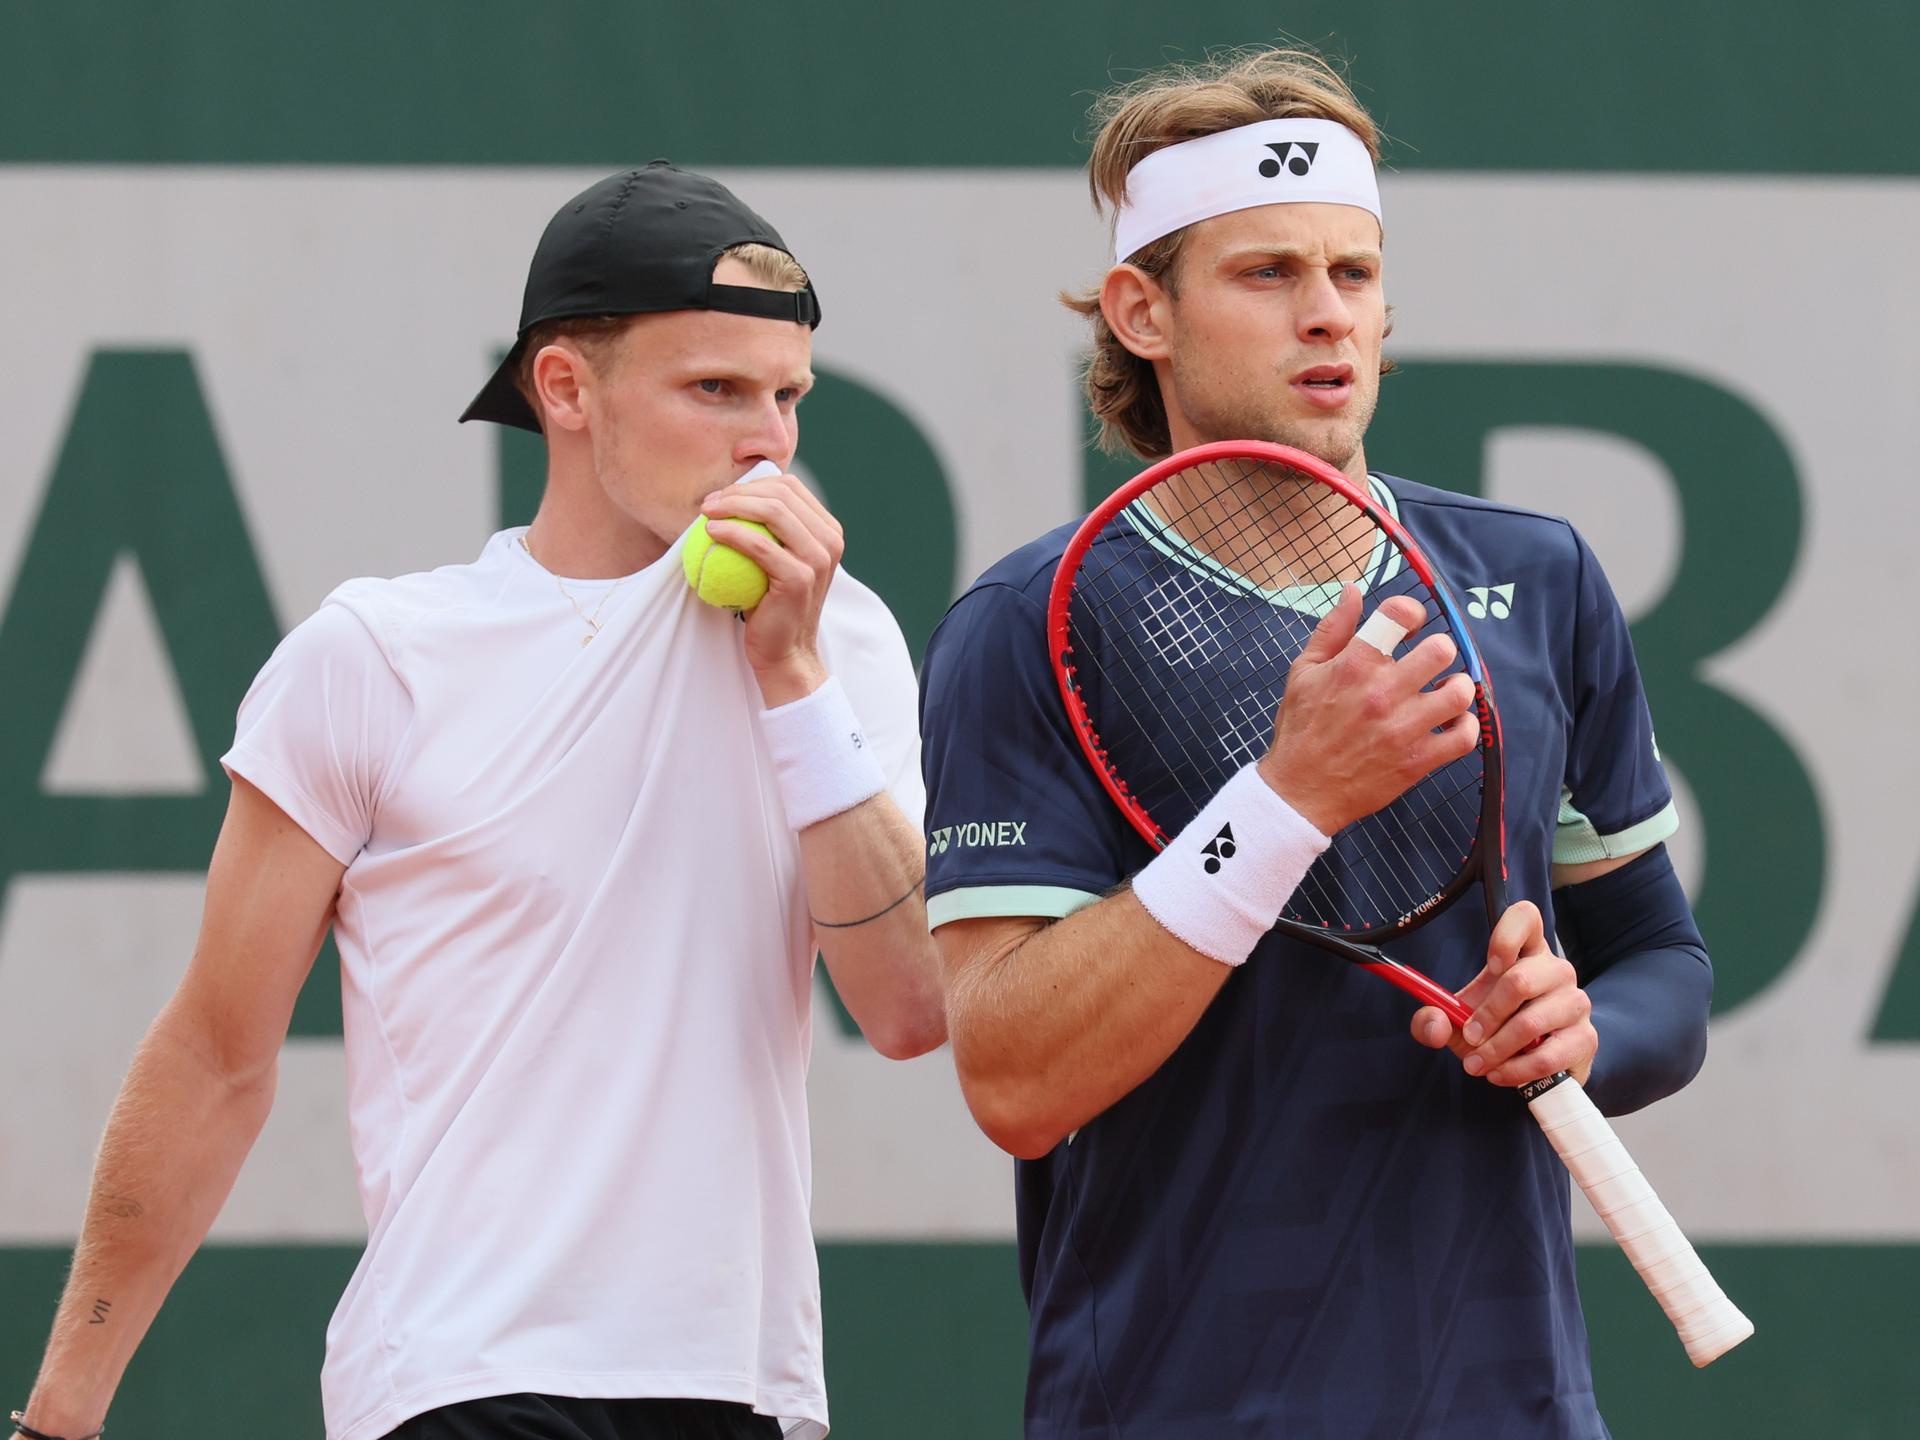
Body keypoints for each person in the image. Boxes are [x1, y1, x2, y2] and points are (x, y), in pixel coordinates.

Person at [15, 162, 944, 1440]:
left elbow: (906, 1009)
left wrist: (790, 672)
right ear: (565, 387)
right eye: (715, 389)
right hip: (458, 1379)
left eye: (787, 397)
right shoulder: (376, 655)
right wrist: (63, 1411)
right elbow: (216, 1056)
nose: (767, 441)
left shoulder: (842, 643)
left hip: (744, 1387)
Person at [919, 49, 1713, 1438]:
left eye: (1354, 274)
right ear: (1140, 311)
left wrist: (1584, 1031)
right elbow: (1014, 1076)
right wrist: (1287, 801)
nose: (1327, 317)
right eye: (1267, 274)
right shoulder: (1029, 622)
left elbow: (1664, 971)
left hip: (1510, 1407)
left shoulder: (1538, 576)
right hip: (1167, 1406)